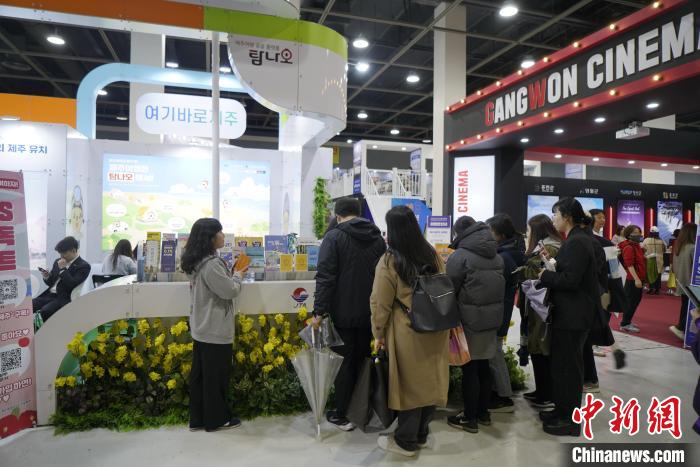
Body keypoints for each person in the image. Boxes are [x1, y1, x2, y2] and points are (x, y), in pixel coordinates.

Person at [370, 205, 449, 457]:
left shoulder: (390, 260)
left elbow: (380, 303)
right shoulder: (432, 254)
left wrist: (378, 334)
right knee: (430, 380)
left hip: (407, 329)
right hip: (436, 326)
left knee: (409, 385)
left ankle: (406, 440)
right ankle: (421, 433)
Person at [312, 197, 386, 431]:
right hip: (369, 313)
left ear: (338, 215)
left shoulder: (333, 237)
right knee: (363, 360)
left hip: (343, 313)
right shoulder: (377, 238)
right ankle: (361, 409)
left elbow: (326, 277)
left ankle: (342, 414)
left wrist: (319, 311)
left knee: (343, 363)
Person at [538, 198, 599, 437]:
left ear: (567, 216)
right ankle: (561, 410)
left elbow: (570, 281)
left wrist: (545, 276)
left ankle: (571, 420)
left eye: (556, 214)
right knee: (562, 366)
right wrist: (552, 265)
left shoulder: (578, 242)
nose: (553, 219)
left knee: (569, 369)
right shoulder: (575, 239)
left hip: (574, 315)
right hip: (569, 313)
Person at [181, 218, 246, 432]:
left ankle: (198, 419)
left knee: (201, 377)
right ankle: (217, 419)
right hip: (215, 327)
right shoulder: (211, 264)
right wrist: (238, 275)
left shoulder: (196, 261)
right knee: (216, 378)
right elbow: (230, 291)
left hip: (202, 326)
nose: (223, 235)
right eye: (220, 232)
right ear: (210, 237)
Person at [446, 216, 505, 434]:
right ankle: (483, 413)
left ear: (459, 233)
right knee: (483, 366)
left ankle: (469, 418)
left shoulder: (460, 256)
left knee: (469, 369)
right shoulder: (496, 255)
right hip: (490, 320)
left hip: (468, 321)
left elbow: (449, 287)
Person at [519, 214, 562, 409]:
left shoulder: (548, 248)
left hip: (542, 305)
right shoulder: (549, 246)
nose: (526, 235)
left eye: (529, 230)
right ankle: (542, 391)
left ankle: (546, 393)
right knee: (537, 345)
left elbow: (539, 273)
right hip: (539, 303)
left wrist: (523, 269)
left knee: (541, 347)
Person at [485, 213, 526, 413]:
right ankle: (500, 392)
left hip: (498, 310)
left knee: (494, 353)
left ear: (500, 234)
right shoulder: (513, 251)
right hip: (503, 310)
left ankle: (503, 396)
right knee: (495, 351)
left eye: (490, 231)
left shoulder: (504, 257)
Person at [33, 236, 90, 323]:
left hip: (63, 297)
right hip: (49, 295)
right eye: (60, 253)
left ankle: (47, 330)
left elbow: (72, 284)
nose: (61, 256)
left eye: (64, 253)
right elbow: (51, 283)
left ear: (73, 250)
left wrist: (63, 269)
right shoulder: (57, 261)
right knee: (29, 305)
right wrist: (46, 276)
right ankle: (30, 329)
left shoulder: (83, 266)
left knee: (46, 311)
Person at [670, 223, 698, 340]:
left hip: (681, 281)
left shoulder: (679, 247)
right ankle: (681, 328)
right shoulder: (693, 248)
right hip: (691, 283)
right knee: (691, 307)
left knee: (685, 305)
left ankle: (682, 328)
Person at [618, 225, 646, 333]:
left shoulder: (636, 246)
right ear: (629, 234)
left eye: (639, 232)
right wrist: (636, 279)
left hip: (637, 277)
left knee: (635, 301)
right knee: (631, 301)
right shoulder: (629, 247)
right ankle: (625, 323)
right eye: (635, 232)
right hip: (632, 279)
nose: (638, 234)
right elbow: (629, 265)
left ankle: (627, 321)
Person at [642, 226, 666, 295]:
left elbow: (643, 249)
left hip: (649, 259)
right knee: (658, 274)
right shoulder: (661, 240)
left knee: (650, 274)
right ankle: (657, 289)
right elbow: (664, 249)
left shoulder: (646, 240)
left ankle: (651, 288)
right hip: (659, 260)